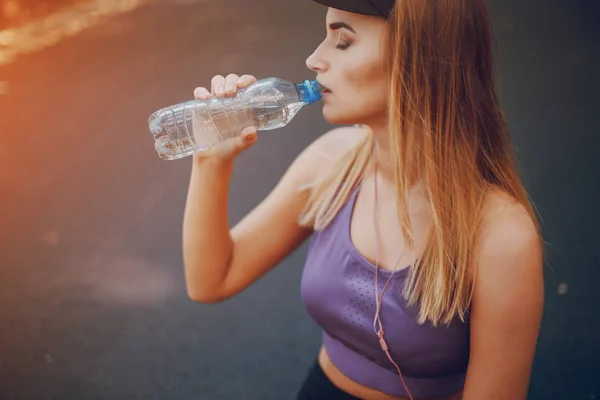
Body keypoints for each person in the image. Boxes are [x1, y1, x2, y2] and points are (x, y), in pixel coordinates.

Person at [182, 0, 545, 398]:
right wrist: (209, 162)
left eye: (342, 41)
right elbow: (212, 279)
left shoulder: (500, 236)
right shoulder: (331, 162)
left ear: (419, 57)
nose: (313, 59)